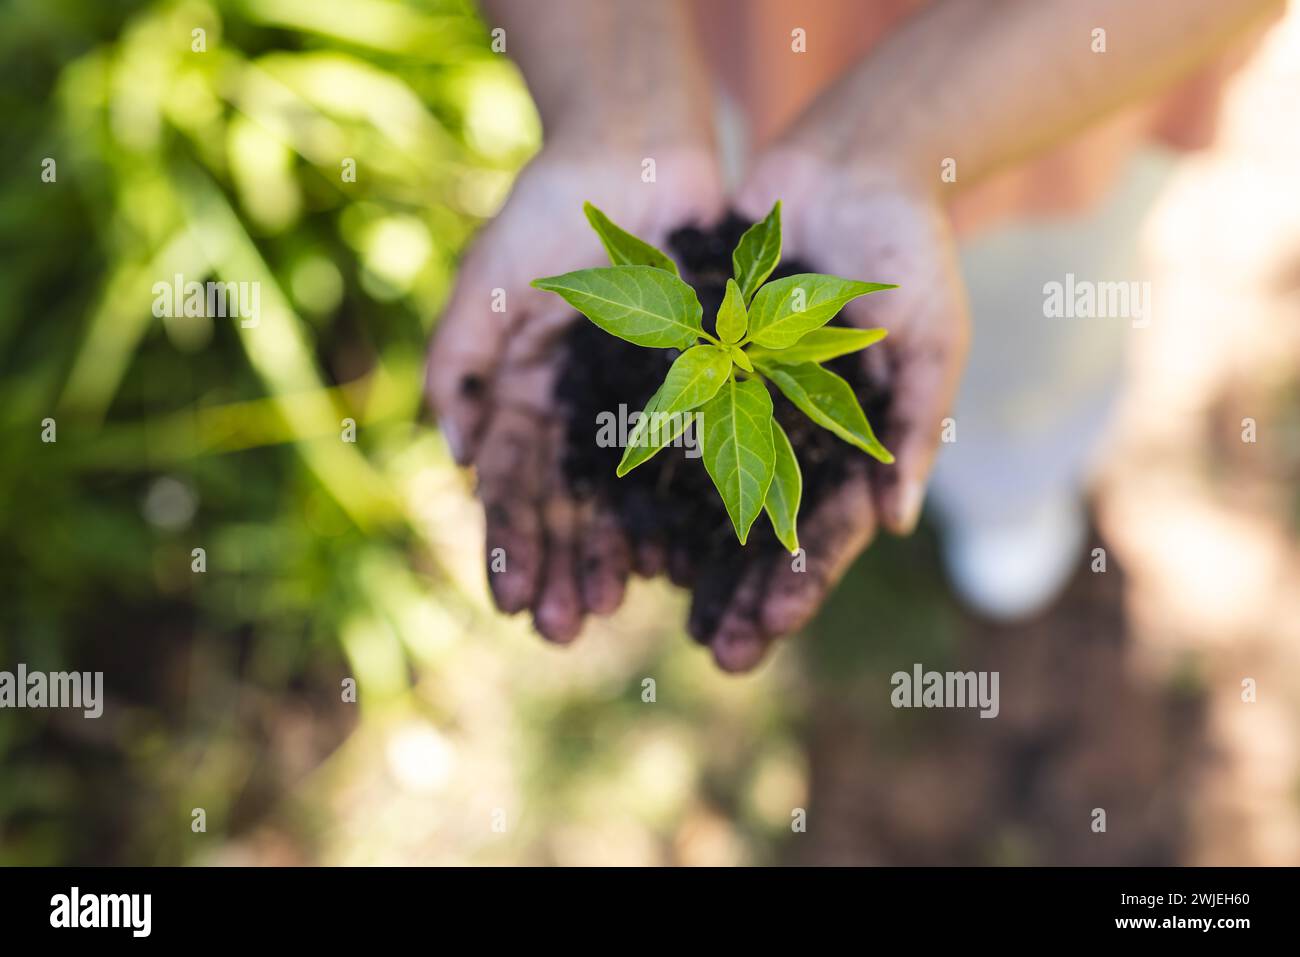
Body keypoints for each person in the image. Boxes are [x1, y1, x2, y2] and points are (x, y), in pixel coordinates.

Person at [427, 0, 1280, 671]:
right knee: (740, 166)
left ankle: (1014, 489)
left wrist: (897, 142)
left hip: (1090, 69)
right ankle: (996, 488)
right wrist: (619, 99)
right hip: (718, 45)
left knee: (1038, 334)